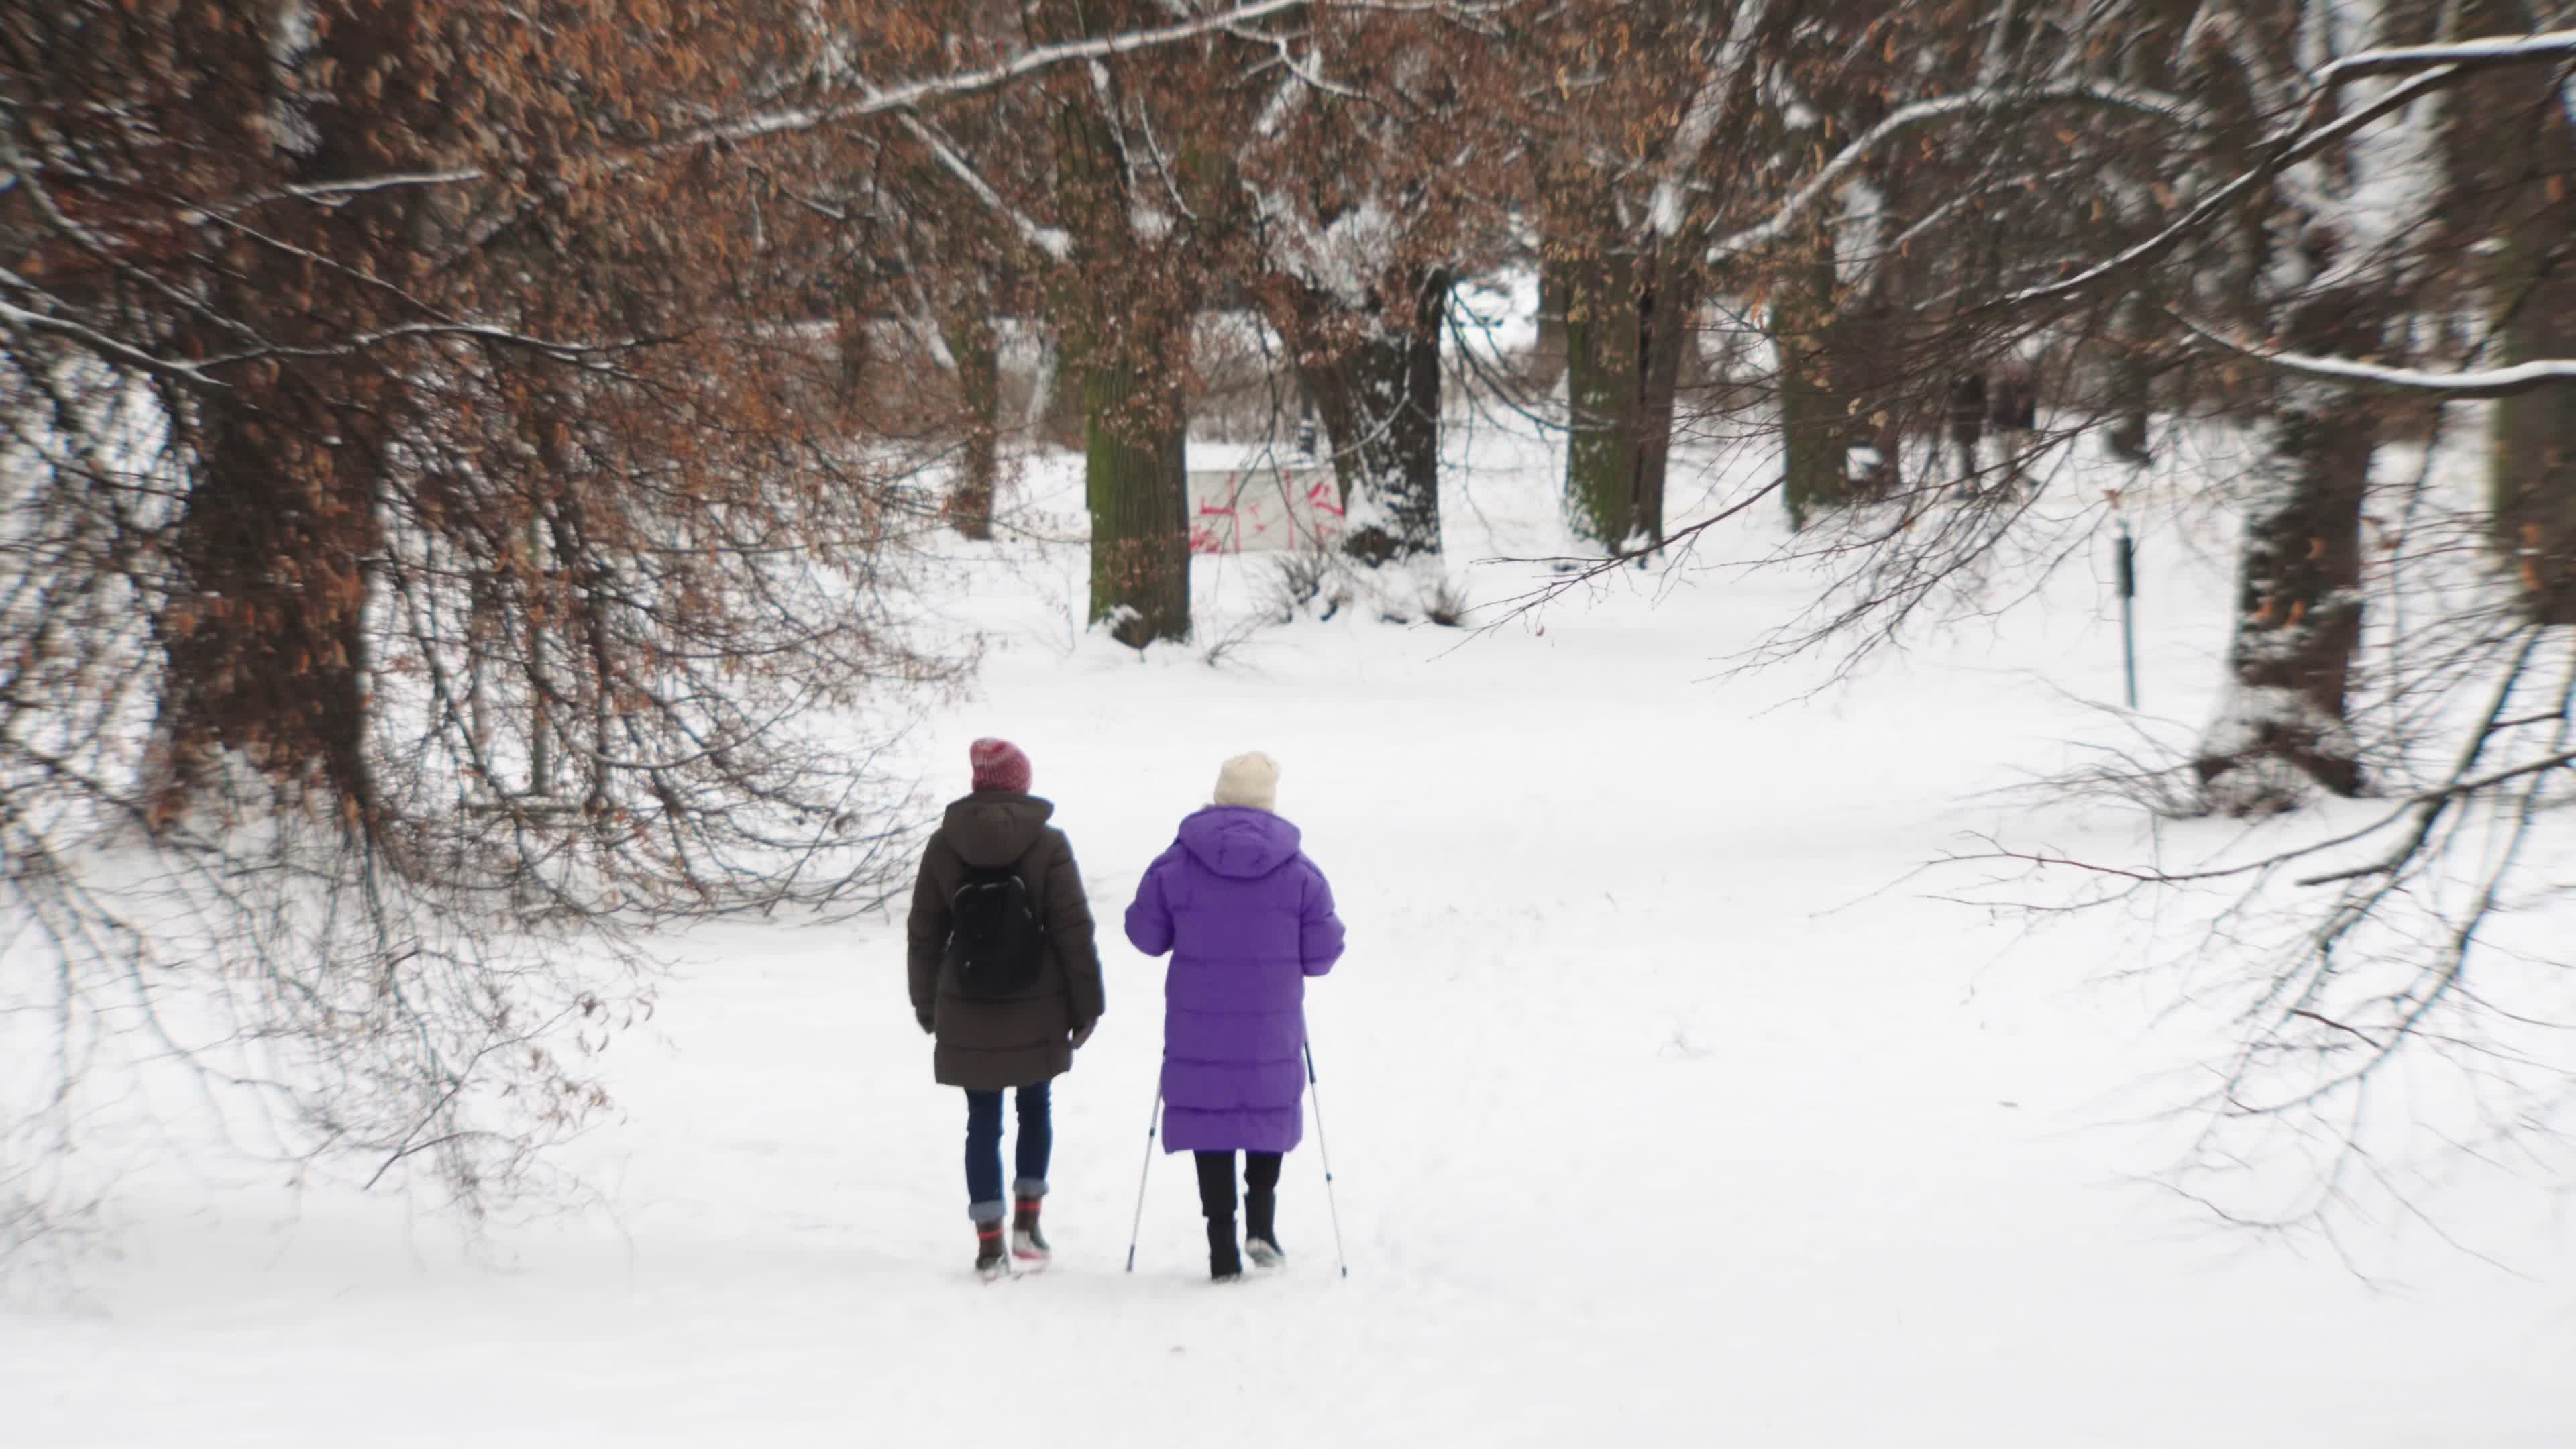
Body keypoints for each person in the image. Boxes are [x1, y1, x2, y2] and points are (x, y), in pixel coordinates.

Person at [1124, 751, 1346, 1281]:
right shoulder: (1299, 872)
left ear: (1219, 795)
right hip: (1270, 1025)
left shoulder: (1176, 863)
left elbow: (1144, 935)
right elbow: (1323, 954)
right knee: (1264, 1112)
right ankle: (1261, 1226)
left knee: (1211, 1119)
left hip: (1198, 1024)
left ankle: (1221, 1244)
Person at [907, 738, 1104, 1280]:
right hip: (1037, 1004)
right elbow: (1073, 930)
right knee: (1035, 1107)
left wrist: (926, 1003)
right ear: (1021, 783)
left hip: (966, 1004)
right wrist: (1087, 1005)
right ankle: (1028, 1226)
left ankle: (989, 1241)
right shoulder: (1048, 844)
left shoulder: (944, 846)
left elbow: (925, 933)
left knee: (982, 1121)